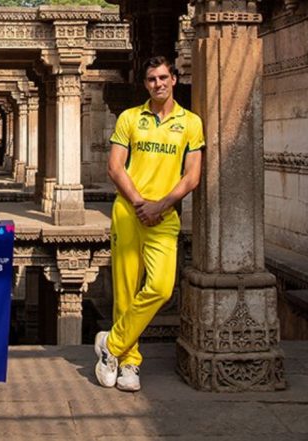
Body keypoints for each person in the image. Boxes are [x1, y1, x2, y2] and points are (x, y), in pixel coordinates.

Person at [95, 56, 205, 392]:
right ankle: (129, 363)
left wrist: (161, 204)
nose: (158, 84)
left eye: (163, 77)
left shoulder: (190, 123)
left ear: (174, 79)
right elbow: (116, 167)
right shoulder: (131, 118)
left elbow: (192, 176)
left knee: (160, 287)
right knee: (126, 289)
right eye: (151, 79)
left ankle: (110, 345)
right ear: (146, 84)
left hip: (165, 215)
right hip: (130, 212)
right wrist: (141, 203)